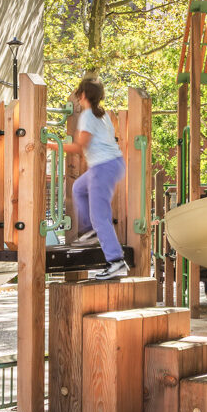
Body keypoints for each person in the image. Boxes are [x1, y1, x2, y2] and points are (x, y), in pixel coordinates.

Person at [58, 79, 130, 282]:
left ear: (83, 95)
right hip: (111, 164)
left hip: (103, 167)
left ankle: (115, 261)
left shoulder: (88, 116)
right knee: (79, 188)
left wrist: (52, 145)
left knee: (100, 215)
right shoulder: (102, 115)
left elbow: (79, 147)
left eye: (79, 94)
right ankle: (90, 231)